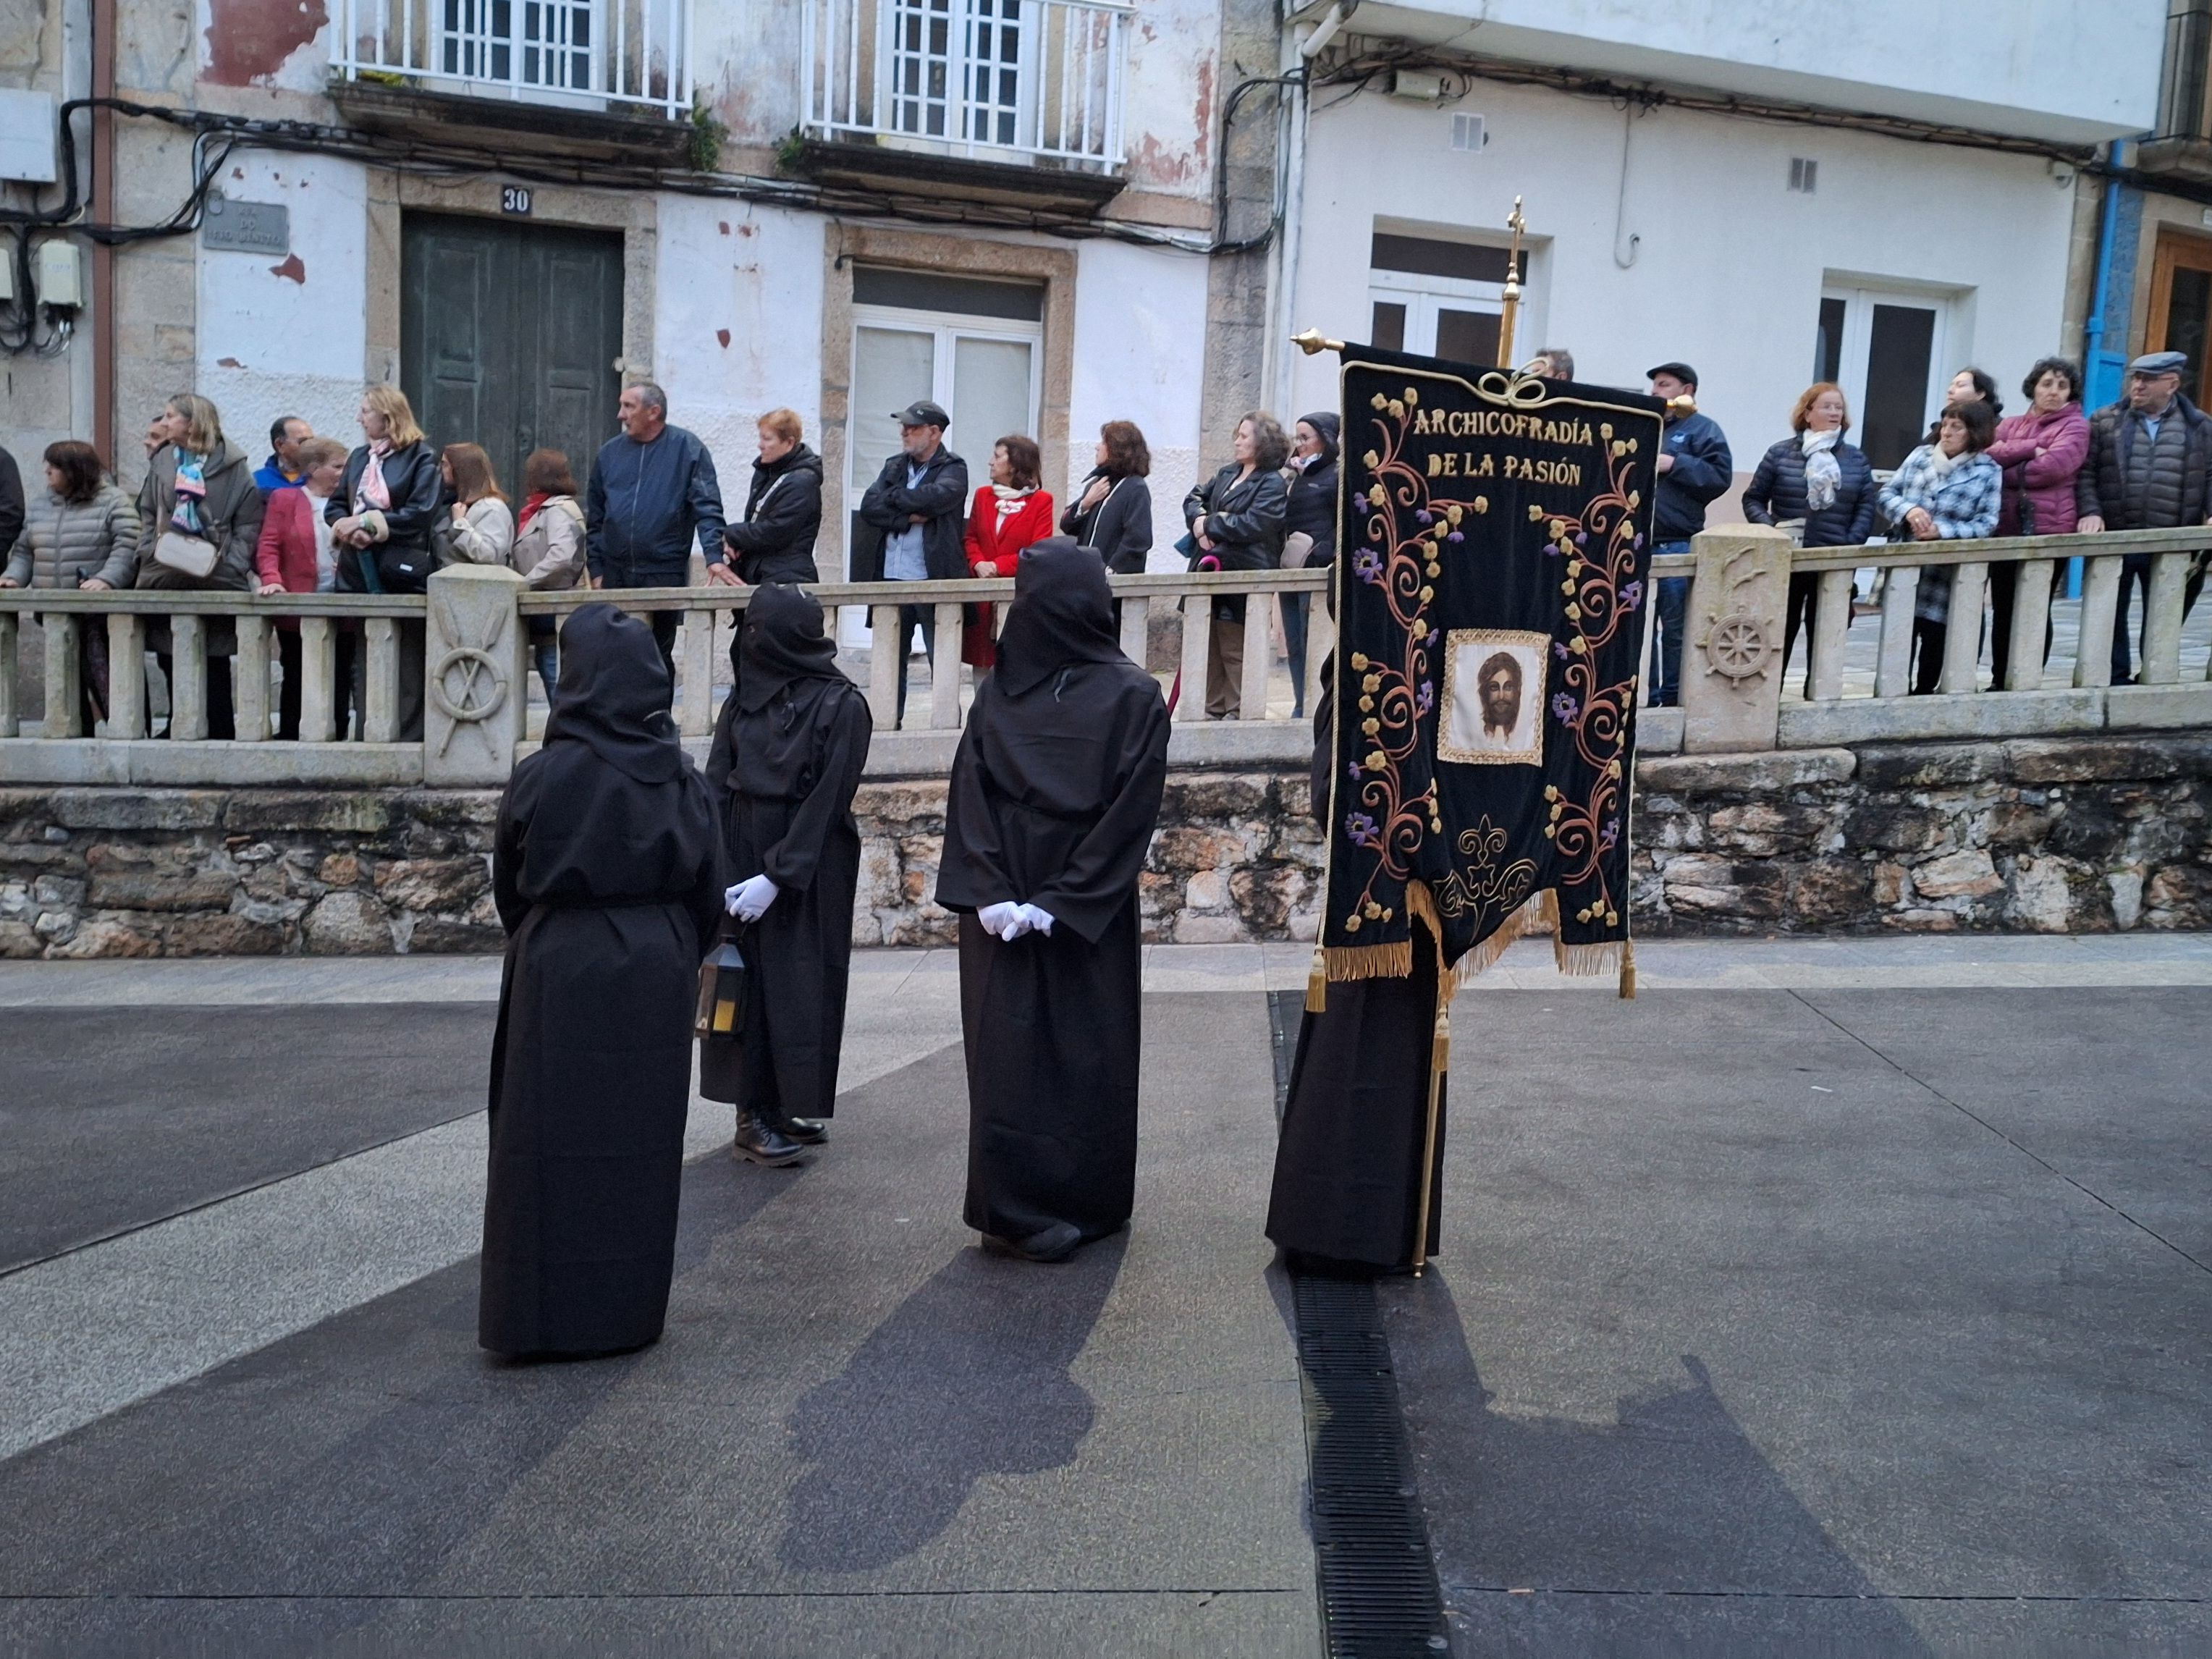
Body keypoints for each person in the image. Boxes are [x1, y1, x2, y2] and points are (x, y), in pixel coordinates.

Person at [481, 603, 724, 1359]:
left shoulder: (540, 777)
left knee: (541, 1143)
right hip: (654, 961)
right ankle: (619, 1311)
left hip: (557, 958)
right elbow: (709, 892)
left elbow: (510, 885)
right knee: (636, 1147)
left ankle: (540, 1313)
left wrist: (549, 935)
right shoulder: (679, 779)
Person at [934, 539, 1170, 1264]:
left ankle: (1088, 1194)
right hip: (1007, 896)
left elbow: (1130, 810)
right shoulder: (999, 693)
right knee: (1009, 1055)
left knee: (1086, 1051)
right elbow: (969, 790)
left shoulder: (1131, 695)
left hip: (1079, 900)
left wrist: (1060, 902)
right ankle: (1011, 1209)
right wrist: (990, 893)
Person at [1266, 664, 1449, 1275]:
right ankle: (1333, 1227)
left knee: (1401, 1056)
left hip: (1425, 897)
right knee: (1350, 1052)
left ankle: (1389, 1230)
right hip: (1373, 891)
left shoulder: (1433, 674)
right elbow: (1330, 797)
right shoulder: (1354, 681)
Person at [701, 583, 873, 1165]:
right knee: (745, 985)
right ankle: (751, 1112)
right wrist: (720, 866)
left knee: (800, 985)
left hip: (808, 863)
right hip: (740, 851)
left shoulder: (842, 704)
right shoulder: (743, 699)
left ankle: (784, 1101)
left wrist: (777, 877)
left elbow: (829, 799)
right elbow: (716, 780)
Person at [2077, 350, 2212, 685]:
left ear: (2172, 384)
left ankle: (2153, 676)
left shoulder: (2200, 426)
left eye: (2147, 380)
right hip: (2119, 534)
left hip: (2175, 539)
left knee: (2165, 614)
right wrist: (2091, 511)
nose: (2137, 386)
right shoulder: (2105, 421)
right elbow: (2087, 473)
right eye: (2135, 378)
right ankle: (2116, 676)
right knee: (2110, 612)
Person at [134, 392, 264, 740]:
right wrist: (149, 548)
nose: (163, 423)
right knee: (167, 653)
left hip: (216, 575)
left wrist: (233, 563)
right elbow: (147, 509)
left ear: (192, 423)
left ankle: (219, 727)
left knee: (214, 657)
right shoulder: (163, 460)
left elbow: (249, 522)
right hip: (165, 570)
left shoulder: (233, 464)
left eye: (170, 416)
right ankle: (179, 725)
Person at [1741, 382, 1877, 695]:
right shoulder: (1780, 453)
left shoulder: (1855, 459)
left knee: (1826, 630)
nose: (1834, 413)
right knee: (1780, 630)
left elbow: (1867, 506)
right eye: (1827, 406)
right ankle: (1768, 696)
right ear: (1808, 413)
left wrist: (1850, 541)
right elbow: (1753, 500)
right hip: (1788, 557)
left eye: (1839, 407)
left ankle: (1819, 697)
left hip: (1833, 558)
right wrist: (1772, 530)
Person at [586, 381, 727, 677]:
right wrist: (597, 569)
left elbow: (707, 507)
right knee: (615, 655)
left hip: (664, 571)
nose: (620, 415)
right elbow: (596, 517)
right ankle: (620, 721)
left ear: (654, 412)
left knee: (656, 657)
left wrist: (714, 556)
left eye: (628, 406)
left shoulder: (688, 449)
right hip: (616, 572)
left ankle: (656, 721)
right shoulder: (609, 454)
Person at [329, 384, 441, 740]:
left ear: (387, 416)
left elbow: (420, 512)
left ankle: (407, 737)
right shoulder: (360, 457)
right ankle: (367, 733)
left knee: (406, 661)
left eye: (365, 412)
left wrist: (368, 524)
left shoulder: (422, 457)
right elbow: (335, 506)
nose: (358, 418)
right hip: (357, 570)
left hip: (398, 572)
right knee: (364, 662)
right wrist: (347, 529)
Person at [2, 440, 138, 732]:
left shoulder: (114, 501)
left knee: (109, 684)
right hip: (55, 613)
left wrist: (106, 579)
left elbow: (128, 545)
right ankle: (78, 737)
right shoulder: (41, 505)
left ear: (74, 471)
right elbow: (25, 550)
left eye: (54, 466)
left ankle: (129, 738)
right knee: (65, 685)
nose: (47, 471)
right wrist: (14, 576)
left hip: (98, 616)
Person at [852, 400, 969, 724]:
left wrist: (896, 502)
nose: (904, 432)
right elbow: (869, 507)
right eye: (903, 426)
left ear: (934, 432)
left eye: (912, 427)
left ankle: (945, 727)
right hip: (891, 576)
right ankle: (889, 724)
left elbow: (937, 498)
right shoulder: (894, 465)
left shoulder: (954, 467)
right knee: (890, 660)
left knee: (941, 658)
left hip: (934, 577)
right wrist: (908, 517)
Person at [1880, 399, 2001, 694]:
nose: (1947, 432)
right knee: (1900, 632)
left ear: (1974, 432)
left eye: (1956, 427)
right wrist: (1908, 511)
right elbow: (1886, 494)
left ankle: (1923, 693)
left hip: (1946, 571)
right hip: (1907, 562)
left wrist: (1942, 531)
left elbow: (1987, 523)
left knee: (1935, 635)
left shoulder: (1988, 470)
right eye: (1945, 424)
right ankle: (1893, 693)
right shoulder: (1920, 456)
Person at [1986, 356, 2088, 688]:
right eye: (2047, 384)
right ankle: (1999, 680)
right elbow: (1988, 459)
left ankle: (2027, 678)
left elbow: (2054, 468)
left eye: (2062, 386)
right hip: (2005, 528)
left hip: (2049, 529)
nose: (2054, 392)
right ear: (2034, 387)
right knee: (2003, 608)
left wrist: (2010, 459)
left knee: (2033, 609)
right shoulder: (2010, 423)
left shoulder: (2075, 426)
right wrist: (2032, 448)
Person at [1183, 412, 1289, 718]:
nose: (1237, 441)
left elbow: (1255, 524)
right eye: (1238, 434)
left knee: (1234, 649)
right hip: (1209, 570)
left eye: (1244, 436)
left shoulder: (1271, 483)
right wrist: (1199, 522)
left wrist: (1210, 525)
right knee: (1209, 648)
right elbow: (1194, 497)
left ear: (1262, 442)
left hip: (1244, 573)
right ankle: (1211, 709)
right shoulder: (1228, 472)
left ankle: (1238, 711)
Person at [1644, 362, 1732, 706]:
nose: (1655, 392)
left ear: (1688, 390)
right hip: (1639, 544)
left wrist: (1676, 464)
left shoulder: (1703, 429)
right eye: (1654, 386)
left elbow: (1719, 477)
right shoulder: (1649, 427)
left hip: (1676, 544)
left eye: (1664, 385)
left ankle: (1673, 697)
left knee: (1677, 630)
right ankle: (1647, 698)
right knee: (1643, 630)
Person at [254, 435, 353, 740]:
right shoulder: (286, 499)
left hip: (344, 598)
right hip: (299, 599)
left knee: (340, 671)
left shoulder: (352, 500)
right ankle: (291, 733)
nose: (344, 472)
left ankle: (335, 734)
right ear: (314, 468)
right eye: (337, 466)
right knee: (296, 670)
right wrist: (272, 579)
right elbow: (268, 545)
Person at [961, 433, 1054, 677]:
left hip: (1018, 598)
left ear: (1014, 464)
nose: (991, 462)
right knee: (981, 667)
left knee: (1015, 667)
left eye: (997, 456)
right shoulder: (983, 496)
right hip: (982, 598)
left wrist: (998, 565)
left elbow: (1038, 550)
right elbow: (970, 538)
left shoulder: (1041, 501)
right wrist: (978, 562)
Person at [509, 448, 588, 706]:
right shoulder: (540, 510)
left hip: (556, 606)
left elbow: (562, 554)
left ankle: (571, 734)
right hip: (543, 610)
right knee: (550, 667)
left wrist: (526, 581)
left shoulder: (557, 510)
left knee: (557, 677)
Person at [1280, 412, 1339, 720]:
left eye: (1305, 438)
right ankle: (1300, 702)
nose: (1299, 445)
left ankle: (1314, 706)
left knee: (1311, 641)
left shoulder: (1338, 474)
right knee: (1294, 645)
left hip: (1317, 571)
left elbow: (1345, 525)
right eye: (1297, 438)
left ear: (1326, 439)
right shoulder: (1295, 476)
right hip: (1292, 570)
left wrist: (1322, 553)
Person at [722, 408, 824, 585]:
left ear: (789, 443)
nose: (760, 445)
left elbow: (775, 532)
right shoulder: (768, 473)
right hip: (763, 574)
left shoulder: (802, 481)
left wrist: (732, 533)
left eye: (767, 439)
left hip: (785, 580)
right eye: (760, 438)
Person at [1060, 420, 1154, 575]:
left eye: (1104, 442)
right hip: (1085, 579)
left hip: (1111, 585)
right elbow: (1067, 525)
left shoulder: (1135, 488)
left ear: (1118, 449)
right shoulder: (1097, 485)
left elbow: (1138, 539)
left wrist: (1111, 569)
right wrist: (1086, 503)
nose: (1097, 447)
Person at [441, 442, 515, 568]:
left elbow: (490, 555)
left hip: (476, 585)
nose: (440, 470)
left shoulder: (492, 507)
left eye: (445, 464)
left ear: (460, 470)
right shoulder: (449, 503)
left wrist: (460, 525)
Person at [253, 415, 312, 497]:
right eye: (303, 442)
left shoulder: (322, 479)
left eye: (312, 441)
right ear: (280, 445)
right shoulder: (257, 482)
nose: (310, 446)